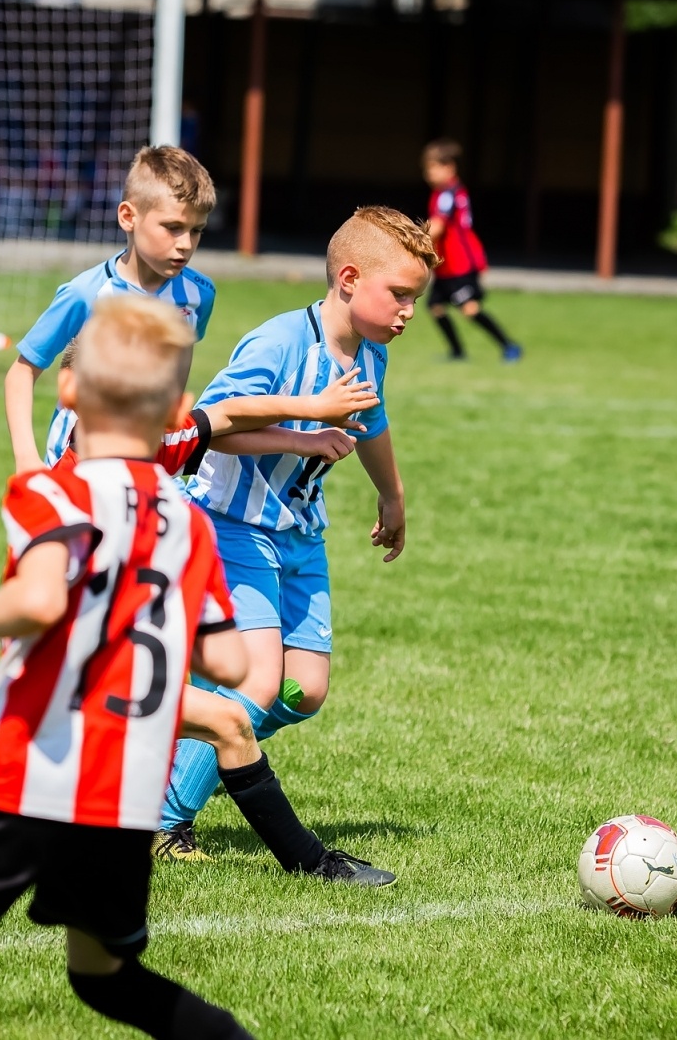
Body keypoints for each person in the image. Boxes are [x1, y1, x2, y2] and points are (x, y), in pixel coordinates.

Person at [0, 344, 395, 884]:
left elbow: (225, 417)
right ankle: (313, 865)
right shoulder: (66, 498)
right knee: (220, 729)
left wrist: (309, 418)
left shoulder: (155, 450)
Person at [0, 295, 254, 1039]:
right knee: (106, 978)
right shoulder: (190, 521)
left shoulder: (52, 490)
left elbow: (39, 599)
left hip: (25, 773)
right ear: (177, 413)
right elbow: (229, 659)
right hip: (125, 798)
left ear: (67, 391)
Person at [152, 206, 431, 848]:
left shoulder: (370, 355)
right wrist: (303, 432)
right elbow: (211, 426)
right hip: (232, 525)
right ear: (351, 278)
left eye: (415, 299)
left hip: (300, 532)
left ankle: (196, 739)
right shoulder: (279, 343)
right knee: (258, 679)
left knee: (304, 690)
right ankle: (164, 817)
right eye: (399, 295)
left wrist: (392, 496)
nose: (408, 312)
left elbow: (374, 425)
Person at [5, 145, 215, 474]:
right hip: (77, 466)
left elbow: (180, 362)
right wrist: (26, 458)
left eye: (197, 230)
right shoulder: (85, 294)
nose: (186, 243)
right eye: (173, 227)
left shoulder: (199, 295)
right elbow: (21, 372)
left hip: (151, 467)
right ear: (128, 217)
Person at [421, 139, 521, 362]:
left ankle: (510, 346)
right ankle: (457, 352)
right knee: (436, 306)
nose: (428, 174)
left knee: (469, 309)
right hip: (447, 265)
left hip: (461, 264)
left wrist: (413, 242)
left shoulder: (448, 193)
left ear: (449, 167)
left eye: (432, 168)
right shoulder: (443, 192)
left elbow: (437, 226)